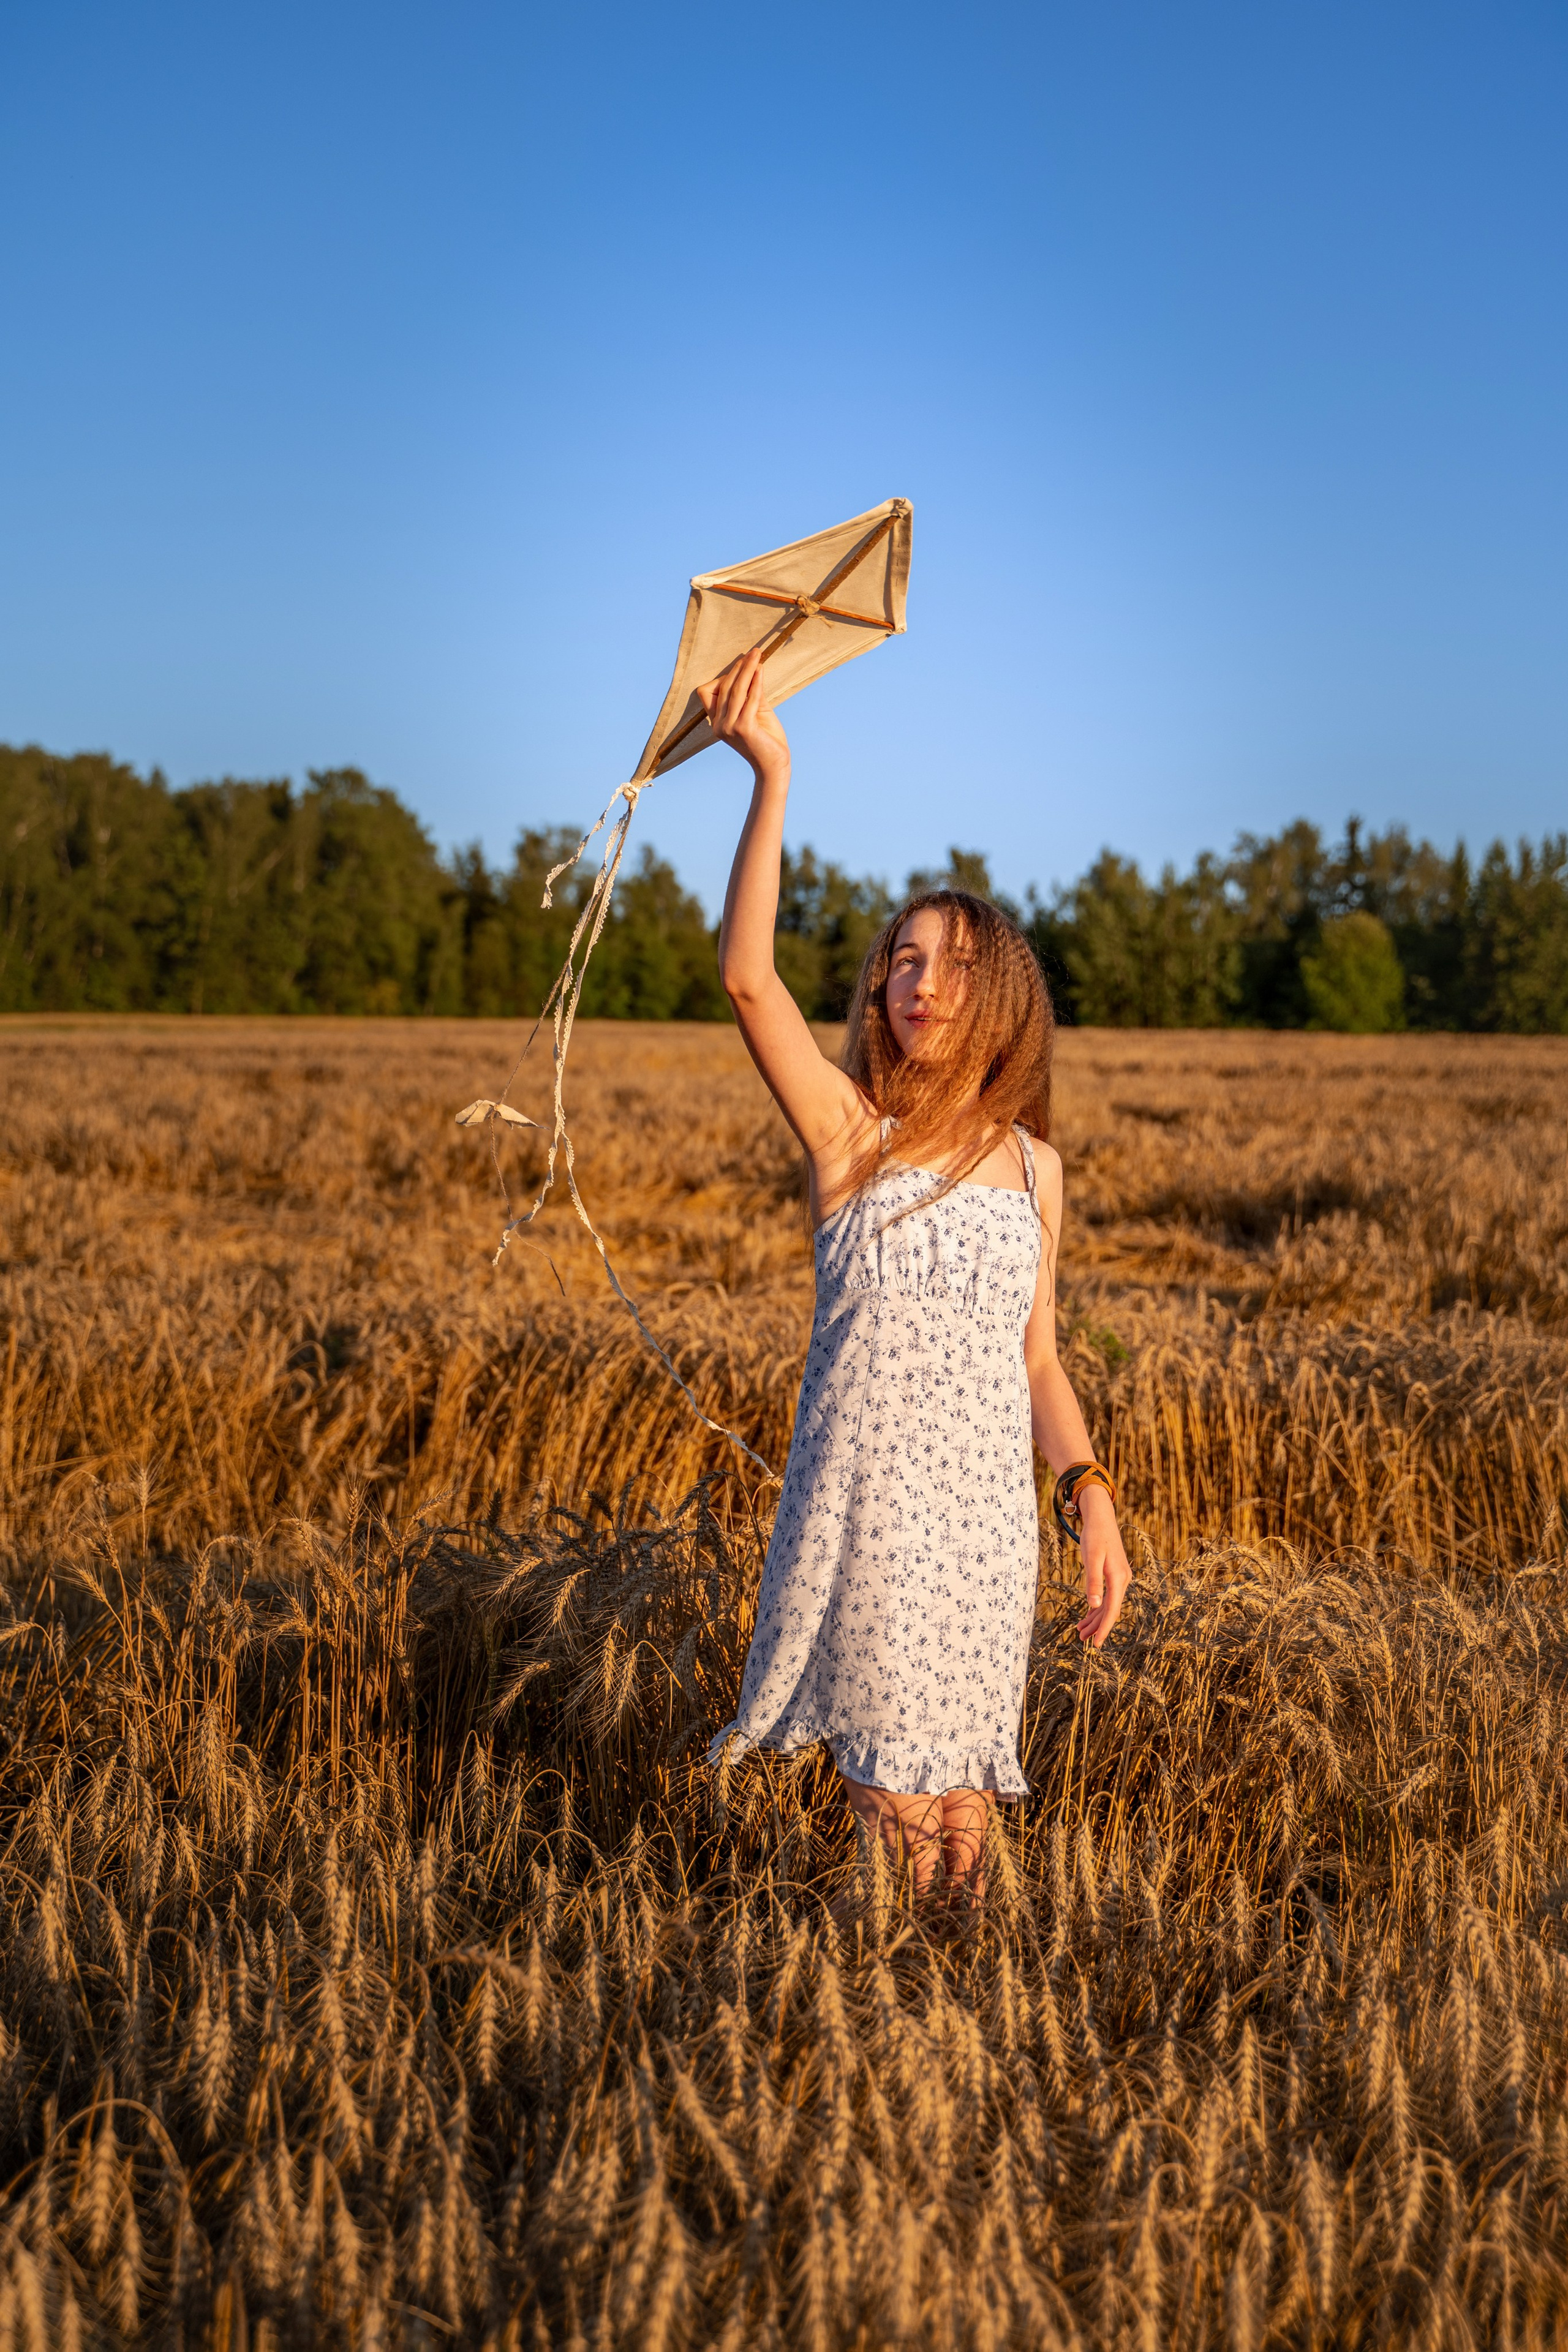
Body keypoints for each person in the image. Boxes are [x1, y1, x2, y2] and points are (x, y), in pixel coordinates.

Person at [704, 648, 1131, 1901]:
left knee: (964, 1837)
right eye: (902, 958)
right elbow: (746, 978)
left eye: (952, 964)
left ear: (1001, 999)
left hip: (987, 1530)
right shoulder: (851, 1138)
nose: (922, 981)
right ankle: (862, 2010)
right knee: (896, 1831)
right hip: (875, 1515)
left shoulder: (1036, 1170)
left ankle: (961, 2028)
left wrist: (1091, 1494)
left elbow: (1037, 1358)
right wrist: (771, 776)